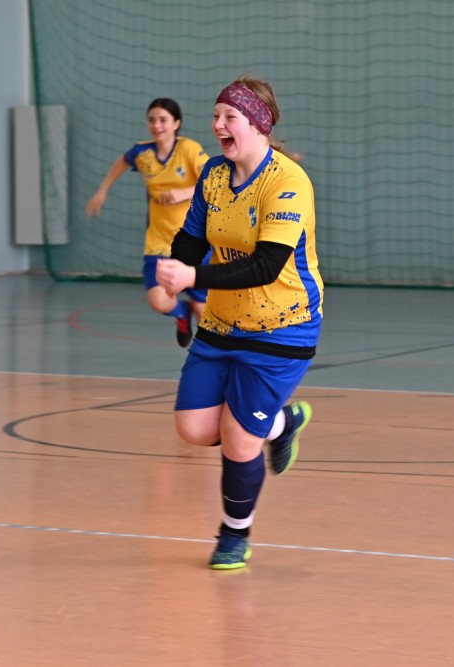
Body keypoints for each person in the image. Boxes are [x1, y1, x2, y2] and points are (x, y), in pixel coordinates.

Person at [156, 75, 323, 570]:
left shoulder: (288, 182)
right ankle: (282, 422)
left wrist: (194, 276)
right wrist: (175, 267)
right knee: (193, 428)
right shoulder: (214, 174)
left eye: (230, 116)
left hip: (282, 326)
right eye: (215, 116)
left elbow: (266, 266)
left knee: (238, 437)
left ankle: (234, 534)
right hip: (223, 323)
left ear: (259, 124)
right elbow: (192, 237)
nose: (218, 125)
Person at [86, 98, 209, 347]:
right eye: (152, 120)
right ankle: (181, 313)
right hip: (159, 242)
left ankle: (209, 361)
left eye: (163, 120)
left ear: (176, 123)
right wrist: (103, 190)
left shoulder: (189, 149)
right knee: (158, 300)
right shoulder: (142, 153)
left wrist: (183, 193)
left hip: (195, 240)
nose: (157, 125)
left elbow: (212, 182)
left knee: (204, 313)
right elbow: (123, 161)